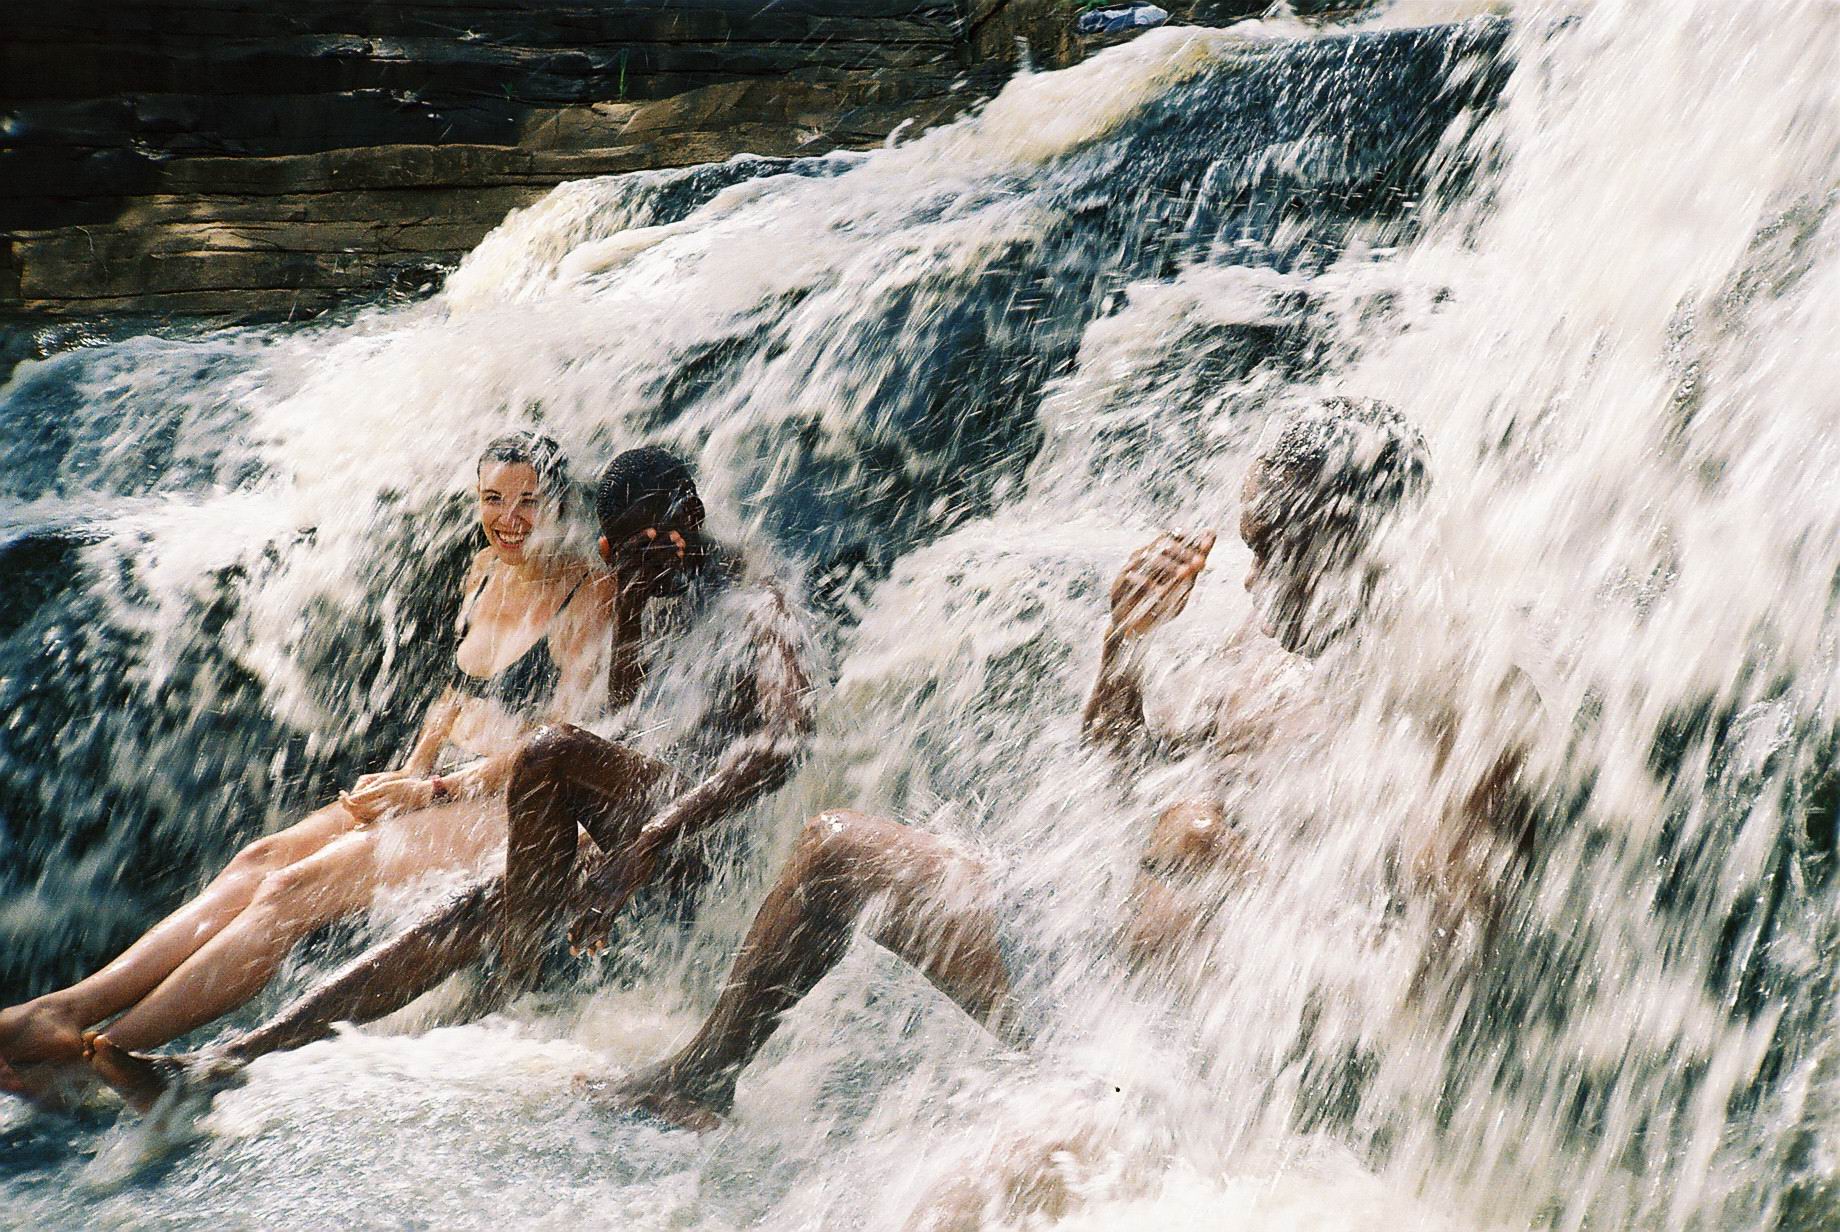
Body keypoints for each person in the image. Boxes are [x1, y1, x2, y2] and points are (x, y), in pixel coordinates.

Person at [587, 396, 1539, 1135]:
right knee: (833, 850)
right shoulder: (1262, 646)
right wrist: (1121, 652)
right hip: (1084, 945)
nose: (1250, 581)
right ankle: (698, 1079)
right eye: (1248, 550)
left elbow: (1437, 970)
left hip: (1202, 1041)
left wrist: (1241, 877)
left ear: (1354, 541)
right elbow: (1114, 776)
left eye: (1273, 551)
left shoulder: (1465, 706)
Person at [82, 445, 819, 1110]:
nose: (650, 557)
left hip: (700, 843)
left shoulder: (756, 601)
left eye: (663, 536)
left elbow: (785, 744)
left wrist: (646, 844)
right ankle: (223, 1064)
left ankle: (514, 967)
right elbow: (627, 724)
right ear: (607, 546)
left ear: (693, 514)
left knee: (551, 751)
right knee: (465, 910)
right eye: (628, 549)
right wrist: (627, 612)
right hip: (634, 819)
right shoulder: (637, 587)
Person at [0, 433, 612, 1109]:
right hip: (438, 784)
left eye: (529, 500)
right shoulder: (482, 571)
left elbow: (564, 743)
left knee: (292, 889)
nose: (510, 518)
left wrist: (432, 788)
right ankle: (62, 1011)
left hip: (520, 804)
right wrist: (410, 772)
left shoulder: (586, 592)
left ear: (557, 502)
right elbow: (450, 703)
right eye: (494, 498)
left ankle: (110, 1056)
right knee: (257, 861)